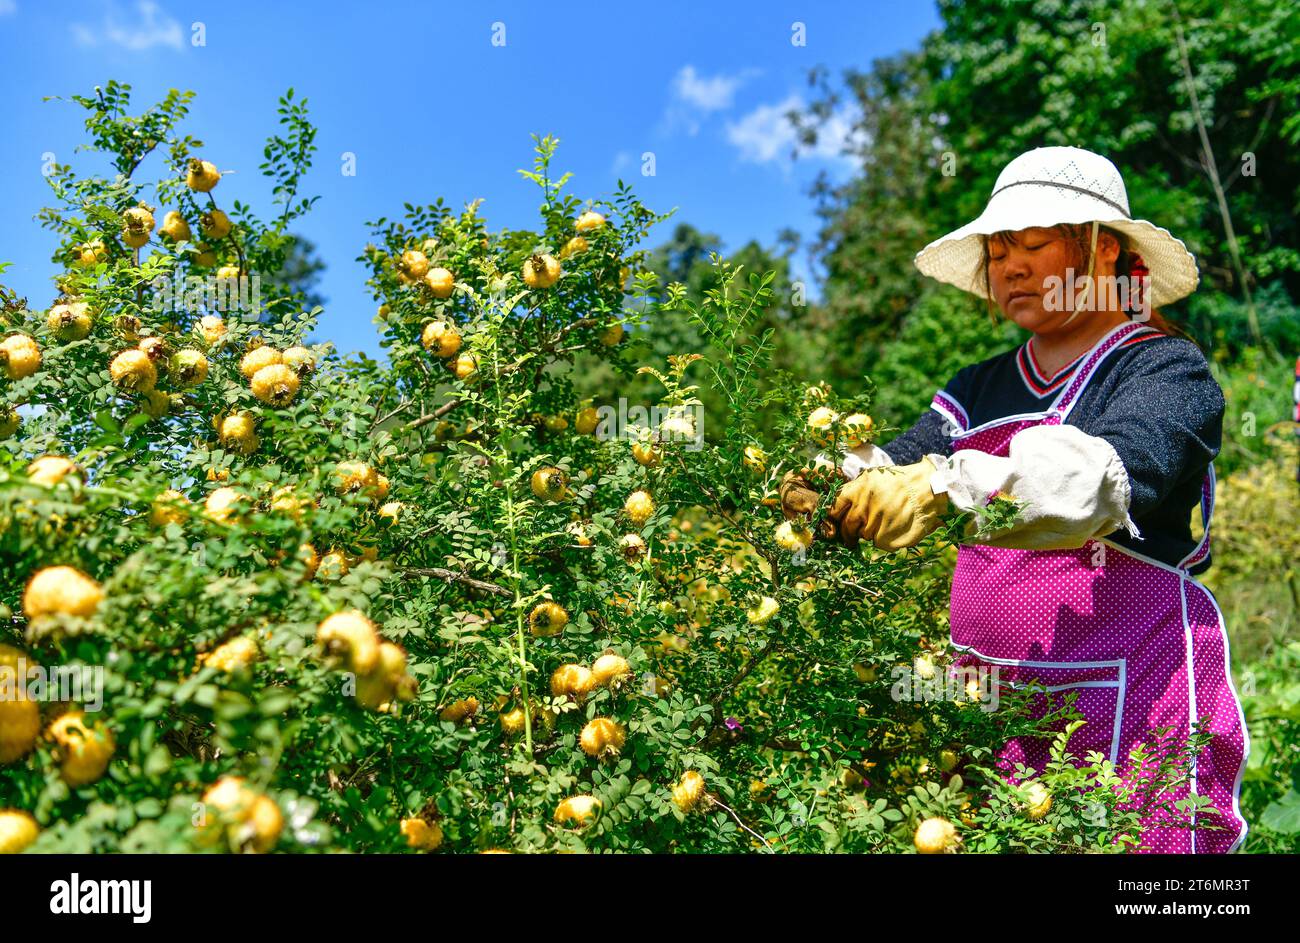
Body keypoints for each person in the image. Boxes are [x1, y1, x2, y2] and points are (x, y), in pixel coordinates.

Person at [782, 146, 1249, 853]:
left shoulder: (1160, 369)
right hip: (998, 705)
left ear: (1105, 254)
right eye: (999, 251)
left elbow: (1093, 484)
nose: (1013, 266)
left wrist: (947, 486)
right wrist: (832, 481)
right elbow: (900, 463)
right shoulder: (977, 387)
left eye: (1035, 244)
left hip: (1136, 689)